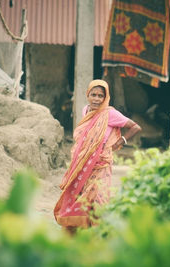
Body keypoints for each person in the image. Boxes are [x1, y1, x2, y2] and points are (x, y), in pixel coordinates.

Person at [54, 79, 141, 234]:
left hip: (101, 163)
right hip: (83, 162)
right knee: (80, 194)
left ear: (105, 97)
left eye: (100, 96)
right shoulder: (86, 110)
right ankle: (78, 229)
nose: (96, 99)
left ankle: (98, 231)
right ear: (88, 95)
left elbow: (135, 127)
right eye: (93, 95)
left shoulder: (110, 114)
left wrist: (120, 142)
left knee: (97, 196)